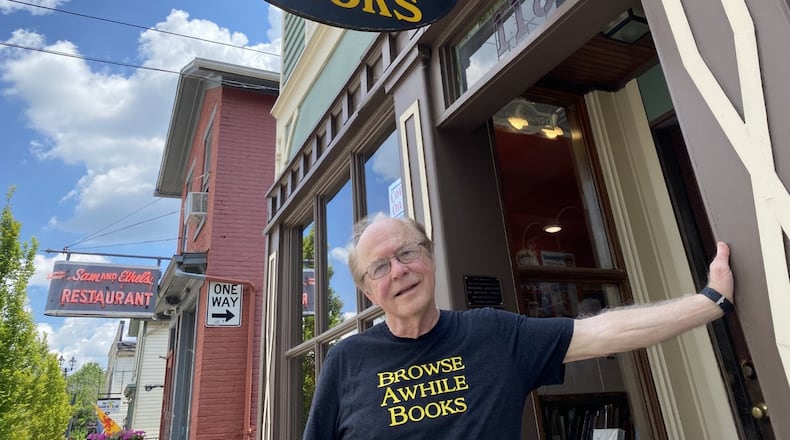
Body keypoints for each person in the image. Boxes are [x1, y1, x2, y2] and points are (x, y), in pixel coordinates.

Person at [303, 214, 734, 439]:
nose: (399, 270)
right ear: (366, 290)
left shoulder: (493, 334)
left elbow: (606, 331)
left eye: (408, 252)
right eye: (380, 266)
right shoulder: (346, 362)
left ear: (430, 259)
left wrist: (709, 303)